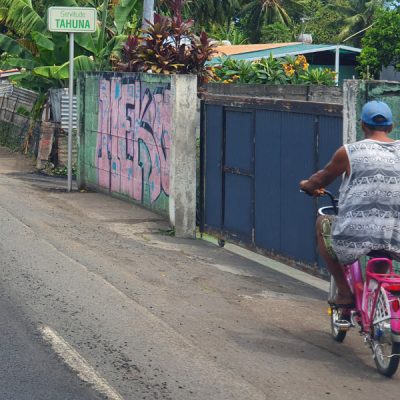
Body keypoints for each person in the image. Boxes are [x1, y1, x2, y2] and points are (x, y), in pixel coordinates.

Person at [300, 100, 400, 307]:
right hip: (395, 233)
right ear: (391, 127)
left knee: (323, 224)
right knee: (383, 245)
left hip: (356, 233)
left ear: (362, 125)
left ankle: (344, 293)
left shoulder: (349, 152)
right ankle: (374, 296)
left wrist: (307, 185)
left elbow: (321, 179)